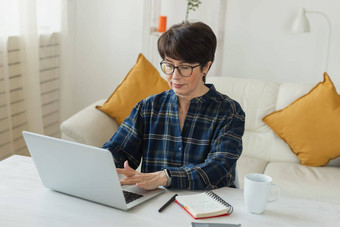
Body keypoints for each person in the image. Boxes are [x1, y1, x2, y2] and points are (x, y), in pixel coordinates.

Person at [102, 21, 245, 190]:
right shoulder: (148, 108)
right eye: (169, 65)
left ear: (206, 67)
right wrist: (100, 162)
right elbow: (119, 151)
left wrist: (165, 177)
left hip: (208, 205)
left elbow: (217, 167)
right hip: (155, 203)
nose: (175, 76)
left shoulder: (229, 112)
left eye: (184, 67)